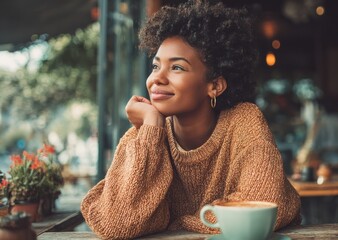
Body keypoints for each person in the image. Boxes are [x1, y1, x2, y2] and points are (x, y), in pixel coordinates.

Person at [80, 1, 301, 239]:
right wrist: (152, 126)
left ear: (214, 85)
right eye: (155, 66)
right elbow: (116, 224)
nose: (157, 79)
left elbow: (263, 204)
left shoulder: (244, 122)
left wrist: (178, 222)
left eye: (176, 68)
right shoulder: (146, 134)